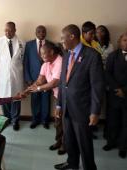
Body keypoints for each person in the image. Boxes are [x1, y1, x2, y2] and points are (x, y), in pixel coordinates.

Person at [54, 24, 104, 170]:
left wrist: (95, 111)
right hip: (67, 107)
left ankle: (89, 167)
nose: (62, 41)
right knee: (69, 139)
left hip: (83, 109)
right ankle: (72, 163)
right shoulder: (67, 54)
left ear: (72, 37)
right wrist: (58, 104)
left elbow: (97, 86)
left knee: (84, 143)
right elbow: (63, 82)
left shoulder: (92, 56)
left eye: (63, 38)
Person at [25, 42, 65, 154]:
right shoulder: (45, 64)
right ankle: (59, 141)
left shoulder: (60, 62)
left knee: (65, 122)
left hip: (67, 97)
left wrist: (38, 89)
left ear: (51, 52)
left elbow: (54, 83)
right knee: (58, 121)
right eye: (40, 54)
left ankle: (65, 145)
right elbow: (39, 80)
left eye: (43, 54)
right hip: (58, 96)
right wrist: (27, 91)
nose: (41, 57)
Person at [0, 21, 25, 131]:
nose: (8, 32)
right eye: (6, 30)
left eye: (10, 30)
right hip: (4, 74)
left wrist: (12, 66)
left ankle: (15, 120)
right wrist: (6, 66)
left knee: (16, 99)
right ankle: (7, 119)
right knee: (4, 98)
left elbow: (22, 58)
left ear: (15, 30)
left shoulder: (21, 42)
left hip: (16, 75)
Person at [24, 25, 51, 129]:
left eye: (43, 32)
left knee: (46, 100)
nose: (41, 34)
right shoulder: (29, 45)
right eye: (39, 31)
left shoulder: (50, 44)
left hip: (47, 79)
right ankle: (35, 119)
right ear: (35, 32)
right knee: (34, 100)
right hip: (33, 78)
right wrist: (28, 78)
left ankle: (45, 120)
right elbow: (26, 62)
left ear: (46, 33)